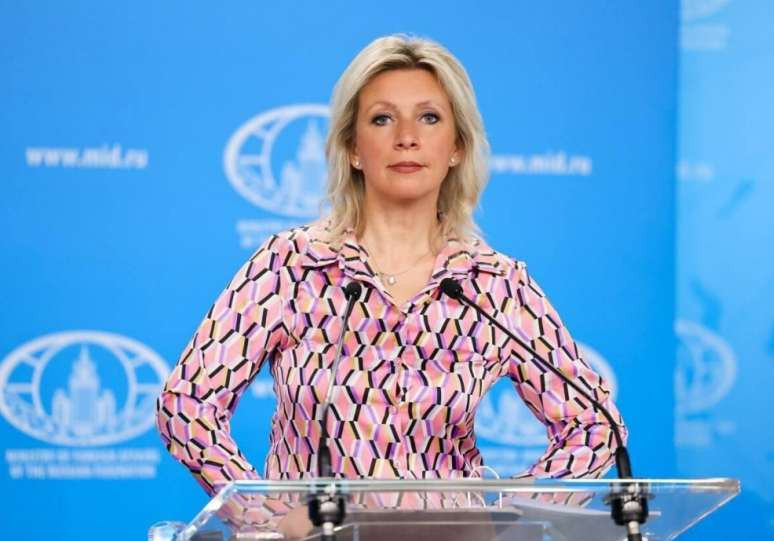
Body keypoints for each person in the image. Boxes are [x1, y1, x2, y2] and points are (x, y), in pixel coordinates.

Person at [156, 34, 627, 499]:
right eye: (382, 119)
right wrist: (264, 514)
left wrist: (509, 514)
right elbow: (187, 404)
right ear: (353, 148)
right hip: (319, 534)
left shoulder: (493, 284)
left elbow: (595, 425)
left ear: (458, 146)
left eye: (429, 118)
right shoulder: (291, 266)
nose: (406, 138)